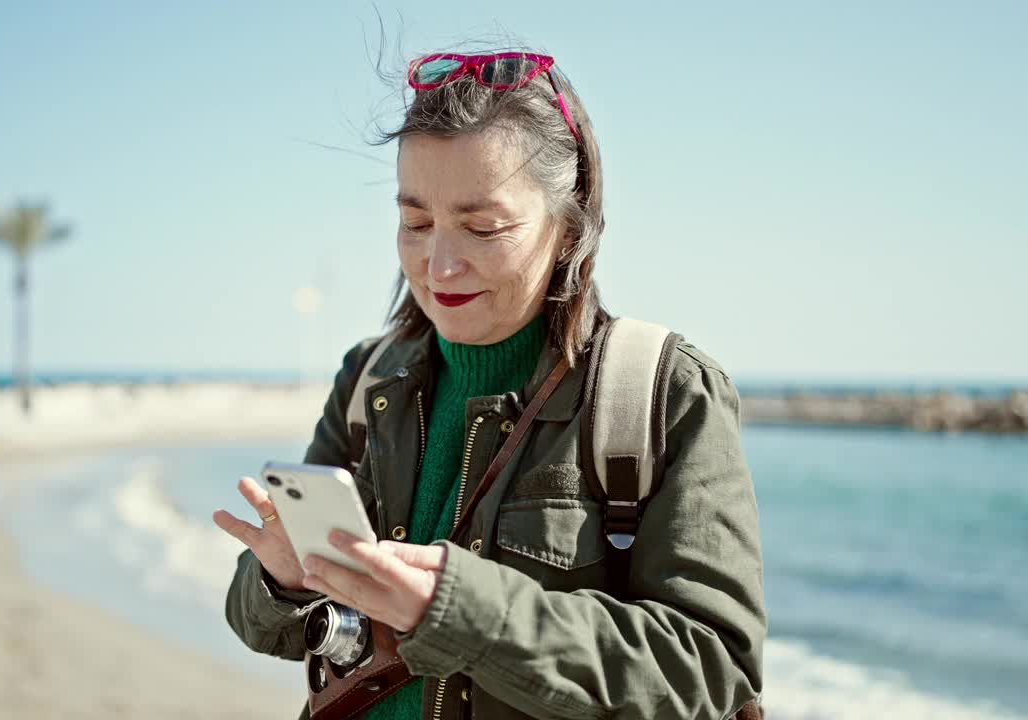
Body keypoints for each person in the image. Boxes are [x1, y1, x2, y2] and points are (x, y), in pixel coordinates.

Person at [213, 49, 765, 720]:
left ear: (570, 224)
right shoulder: (368, 376)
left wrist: (465, 611)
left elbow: (711, 671)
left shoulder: (664, 393)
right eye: (415, 223)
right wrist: (281, 578)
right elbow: (256, 626)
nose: (438, 264)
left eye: (483, 227)